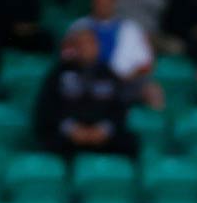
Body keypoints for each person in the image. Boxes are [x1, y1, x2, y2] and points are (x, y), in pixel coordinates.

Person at [34, 27, 137, 158]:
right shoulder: (60, 72)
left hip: (101, 135)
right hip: (69, 136)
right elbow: (48, 107)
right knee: (48, 141)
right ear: (74, 48)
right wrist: (71, 129)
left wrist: (103, 130)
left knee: (130, 142)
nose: (85, 47)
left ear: (97, 46)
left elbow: (120, 108)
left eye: (89, 43)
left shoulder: (109, 74)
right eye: (80, 43)